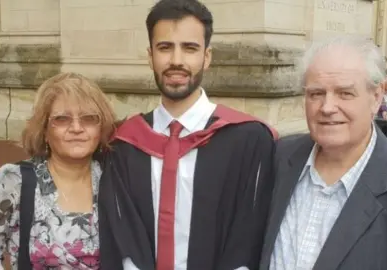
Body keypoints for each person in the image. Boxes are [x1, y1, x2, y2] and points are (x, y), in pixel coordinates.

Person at [97, 0, 278, 269]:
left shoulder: (249, 140)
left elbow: (249, 233)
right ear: (150, 56)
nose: (176, 61)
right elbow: (121, 234)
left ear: (207, 57)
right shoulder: (125, 145)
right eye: (165, 47)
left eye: (190, 48)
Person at [260, 36, 387, 270]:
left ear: (376, 98)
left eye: (345, 93)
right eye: (316, 94)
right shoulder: (276, 157)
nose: (327, 107)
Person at [0, 72, 117, 269]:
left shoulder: (115, 178)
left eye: (89, 118)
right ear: (44, 130)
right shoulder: (12, 181)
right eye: (62, 119)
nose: (77, 128)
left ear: (101, 128)